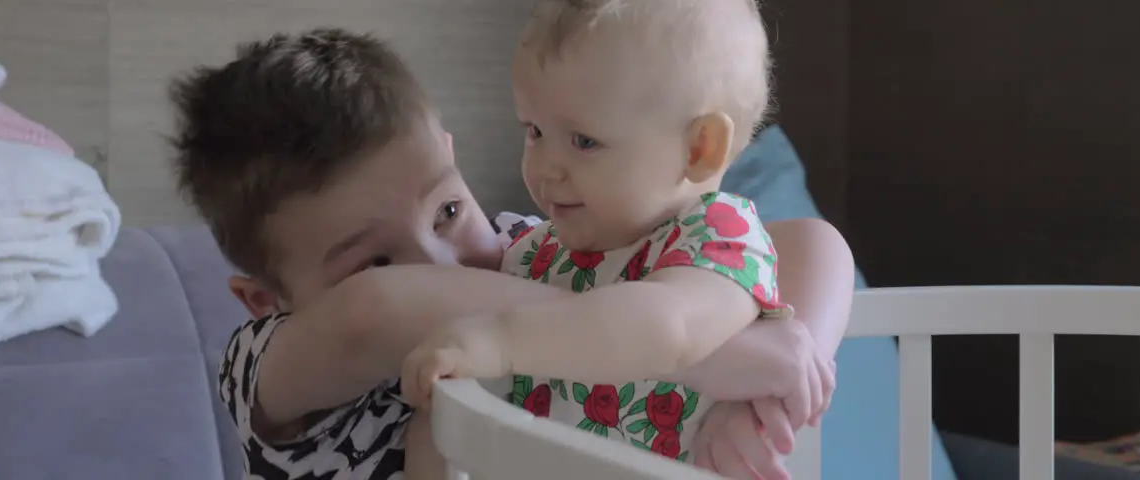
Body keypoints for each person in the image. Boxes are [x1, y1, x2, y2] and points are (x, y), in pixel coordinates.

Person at [169, 27, 853, 480]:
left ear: (451, 158)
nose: (440, 265)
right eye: (374, 259)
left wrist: (771, 392)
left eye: (447, 211)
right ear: (268, 300)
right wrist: (689, 346)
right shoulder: (267, 367)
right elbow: (377, 311)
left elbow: (803, 243)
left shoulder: (540, 252)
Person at [401, 0, 827, 468]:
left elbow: (664, 328)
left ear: (700, 149)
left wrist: (500, 338)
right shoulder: (540, 255)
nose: (545, 168)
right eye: (534, 131)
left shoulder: (717, 242)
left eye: (583, 141)